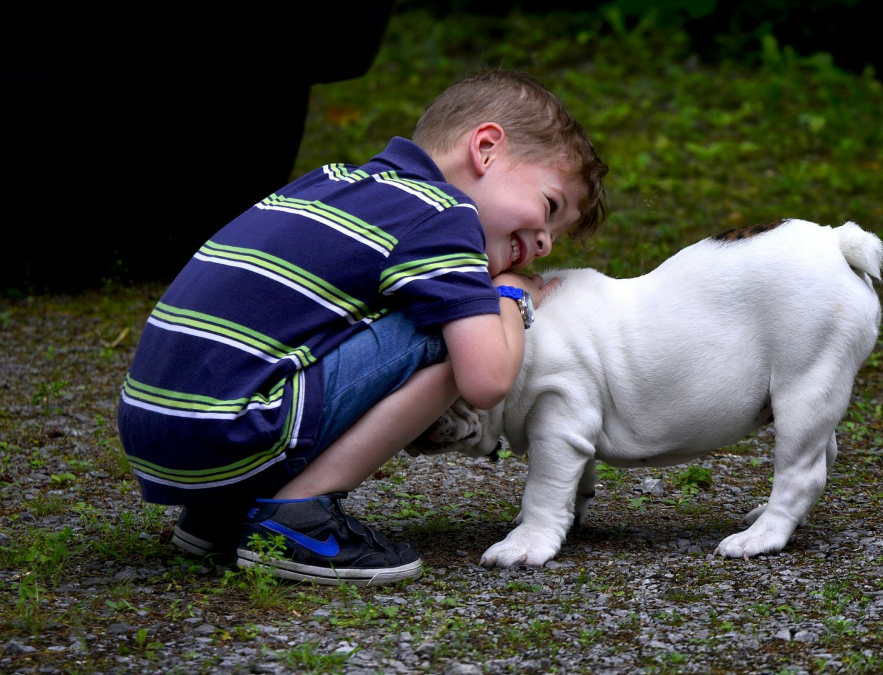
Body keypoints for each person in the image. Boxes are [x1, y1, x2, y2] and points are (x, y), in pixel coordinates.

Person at [116, 69, 608, 585]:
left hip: (159, 432)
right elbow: (485, 381)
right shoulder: (443, 215)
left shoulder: (330, 182)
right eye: (550, 208)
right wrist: (507, 295)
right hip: (232, 430)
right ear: (485, 149)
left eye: (556, 234)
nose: (547, 244)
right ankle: (297, 518)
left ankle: (221, 515)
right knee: (449, 327)